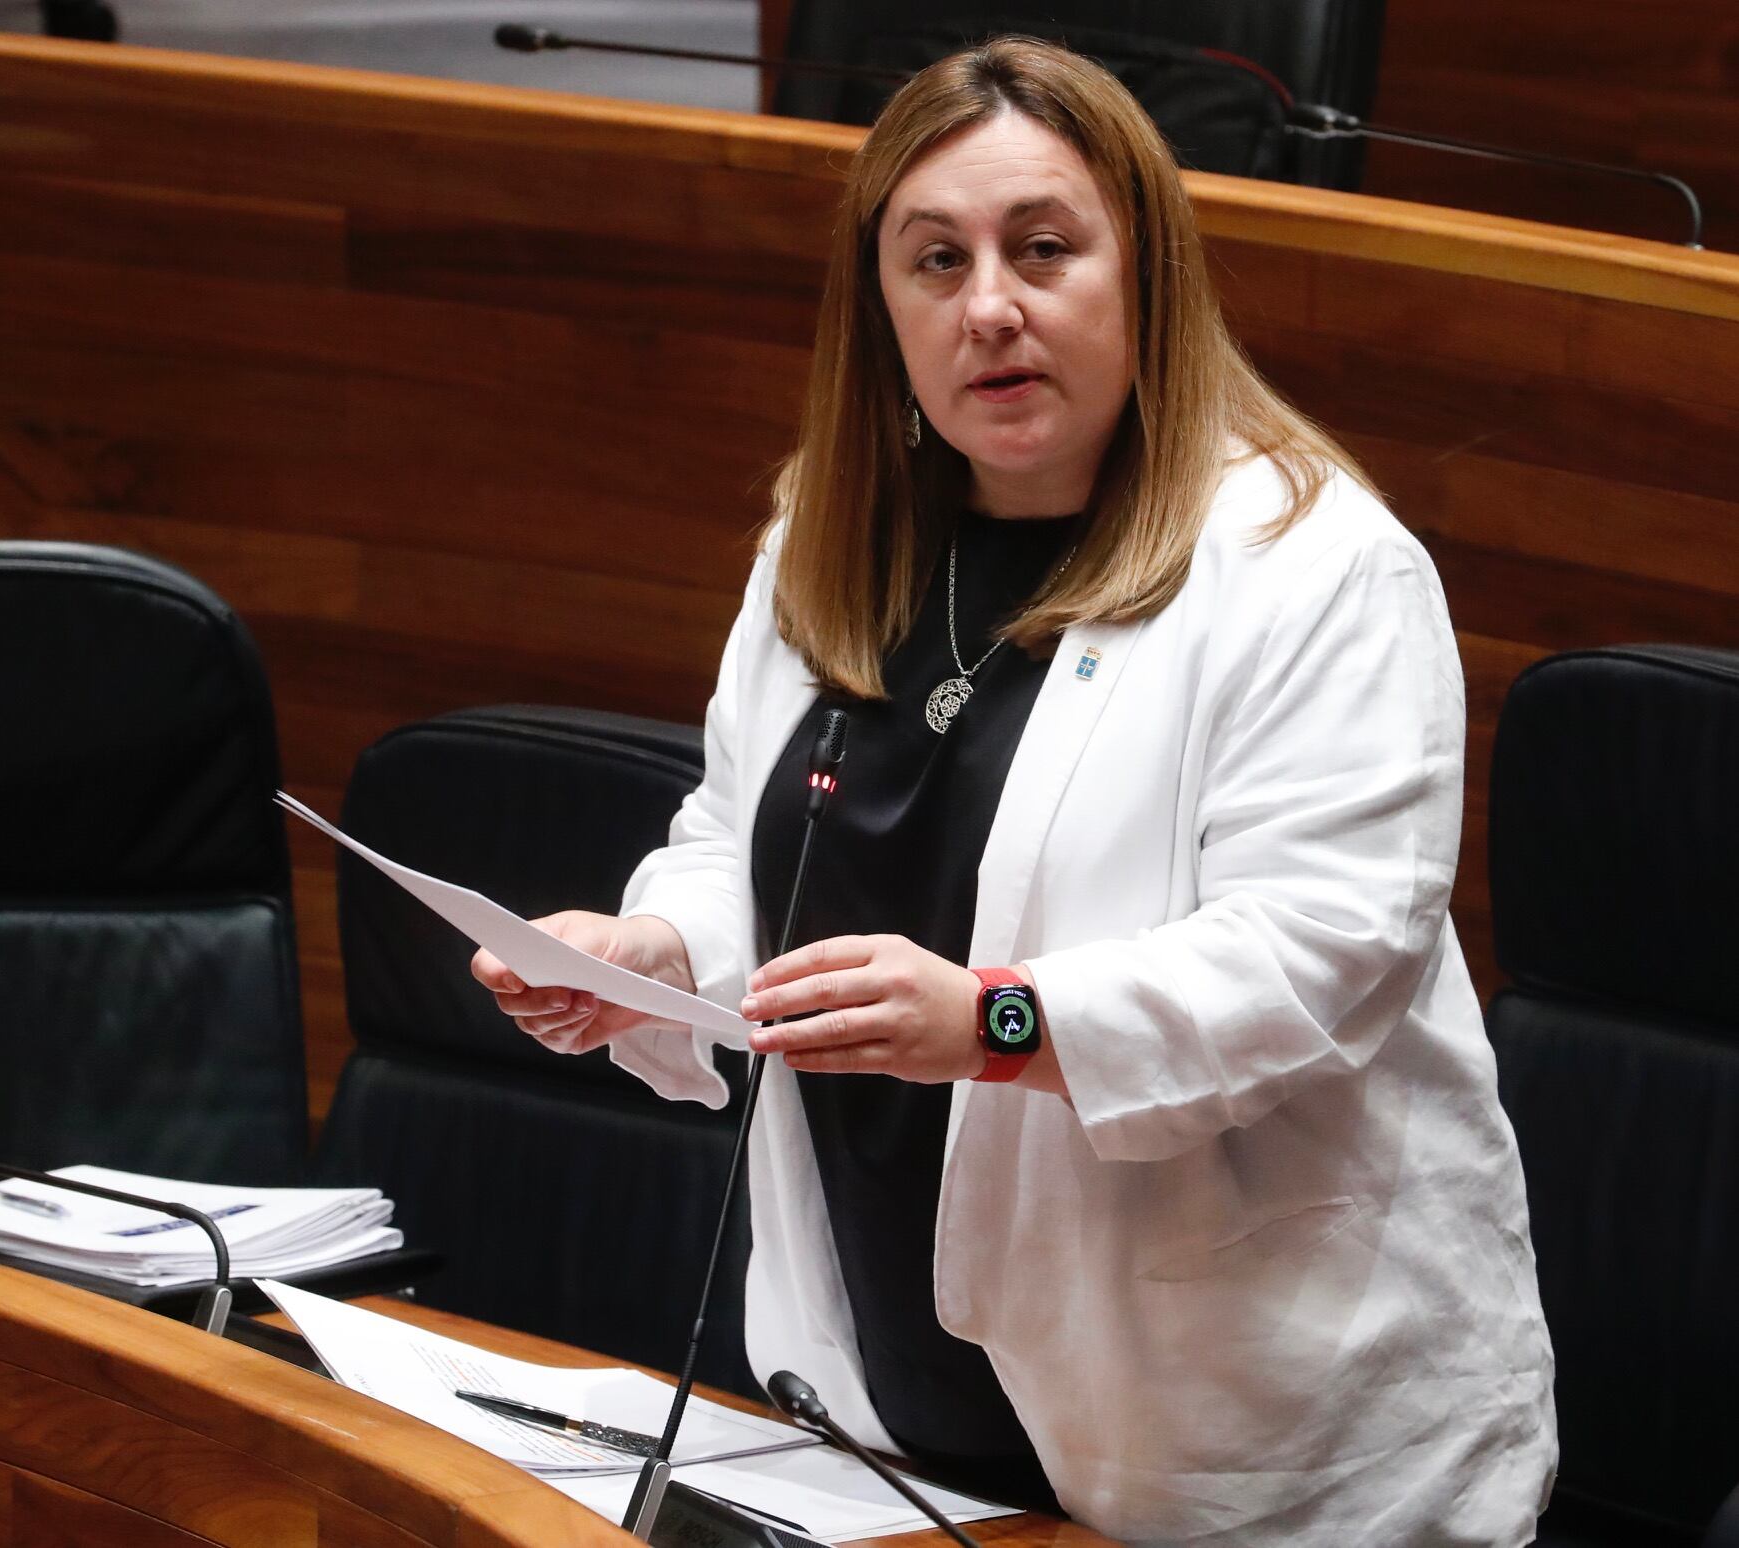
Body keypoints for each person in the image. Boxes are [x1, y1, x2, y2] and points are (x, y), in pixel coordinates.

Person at [470, 37, 1556, 1547]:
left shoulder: (1315, 566)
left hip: (1247, 1449)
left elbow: (1322, 961)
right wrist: (661, 956)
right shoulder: (831, 539)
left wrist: (994, 1022)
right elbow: (745, 833)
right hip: (890, 1422)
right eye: (935, 262)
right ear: (884, 313)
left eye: (1043, 249)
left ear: (1145, 276)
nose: (990, 305)